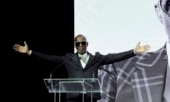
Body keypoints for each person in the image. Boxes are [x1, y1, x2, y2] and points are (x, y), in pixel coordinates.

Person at [13, 34, 150, 102]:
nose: (80, 46)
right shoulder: (68, 58)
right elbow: (49, 58)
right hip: (73, 98)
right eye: (77, 44)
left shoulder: (96, 58)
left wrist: (133, 51)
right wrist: (29, 52)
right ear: (75, 45)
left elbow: (113, 57)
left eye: (82, 43)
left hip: (91, 97)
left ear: (87, 44)